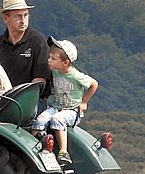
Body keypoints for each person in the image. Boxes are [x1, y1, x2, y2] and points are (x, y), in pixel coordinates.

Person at [31, 36, 99, 165]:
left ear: (65, 62)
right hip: (56, 106)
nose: (49, 61)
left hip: (71, 111)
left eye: (53, 59)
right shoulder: (54, 71)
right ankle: (37, 145)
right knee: (40, 119)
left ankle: (63, 152)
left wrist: (84, 102)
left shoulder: (76, 76)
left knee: (57, 119)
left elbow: (94, 84)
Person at [0, 0, 52, 102]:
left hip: (33, 100)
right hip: (2, 100)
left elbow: (40, 80)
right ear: (6, 18)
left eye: (26, 15)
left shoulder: (38, 41)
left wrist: (20, 98)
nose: (23, 20)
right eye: (18, 16)